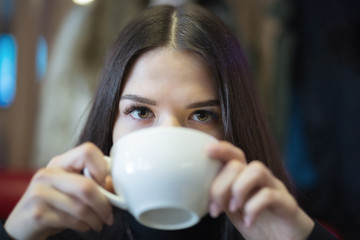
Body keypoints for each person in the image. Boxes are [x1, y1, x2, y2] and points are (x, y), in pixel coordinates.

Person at [1, 3, 337, 240]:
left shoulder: (270, 232)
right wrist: (13, 234)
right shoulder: (62, 229)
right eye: (141, 112)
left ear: (232, 133)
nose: (168, 135)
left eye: (202, 115)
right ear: (110, 127)